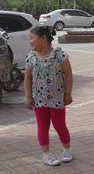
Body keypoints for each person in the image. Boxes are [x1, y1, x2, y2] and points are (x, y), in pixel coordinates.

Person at [24, 26, 73, 166]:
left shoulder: (60, 55)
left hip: (57, 98)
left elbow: (69, 75)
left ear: (43, 38)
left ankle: (67, 150)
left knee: (59, 125)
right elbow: (27, 79)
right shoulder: (31, 57)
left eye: (32, 38)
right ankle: (46, 154)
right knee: (42, 126)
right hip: (39, 100)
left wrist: (68, 94)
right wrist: (28, 97)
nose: (30, 42)